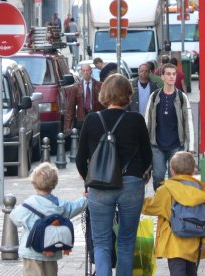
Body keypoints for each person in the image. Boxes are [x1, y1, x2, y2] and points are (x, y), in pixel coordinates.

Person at [75, 73, 152, 275]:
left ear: (104, 93)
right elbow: (147, 156)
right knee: (127, 241)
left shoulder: (92, 120)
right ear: (128, 94)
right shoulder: (136, 120)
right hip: (131, 184)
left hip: (100, 185)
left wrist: (87, 183)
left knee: (101, 242)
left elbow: (80, 158)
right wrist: (140, 176)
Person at [142, 151, 205, 276]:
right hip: (194, 243)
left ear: (172, 171)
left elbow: (151, 206)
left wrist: (136, 201)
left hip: (174, 245)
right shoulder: (201, 190)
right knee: (191, 272)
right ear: (193, 170)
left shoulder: (166, 190)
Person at [10, 162, 88, 276]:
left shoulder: (29, 204)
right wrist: (84, 199)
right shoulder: (60, 205)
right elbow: (73, 207)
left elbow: (14, 217)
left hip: (32, 252)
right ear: (54, 183)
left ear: (34, 183)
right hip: (51, 251)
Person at [145, 63, 194, 191]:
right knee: (158, 175)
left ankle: (173, 203)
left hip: (176, 144)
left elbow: (188, 122)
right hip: (157, 145)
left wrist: (191, 147)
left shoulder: (182, 98)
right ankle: (160, 199)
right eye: (168, 74)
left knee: (175, 178)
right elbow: (147, 121)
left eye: (174, 74)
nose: (172, 77)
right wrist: (144, 144)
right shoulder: (155, 96)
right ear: (162, 77)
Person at [64, 63, 104, 133]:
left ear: (91, 71)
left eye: (87, 70)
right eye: (84, 70)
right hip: (82, 118)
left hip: (96, 117)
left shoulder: (99, 86)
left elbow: (104, 104)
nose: (86, 72)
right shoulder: (76, 87)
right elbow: (71, 108)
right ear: (81, 72)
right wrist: (68, 127)